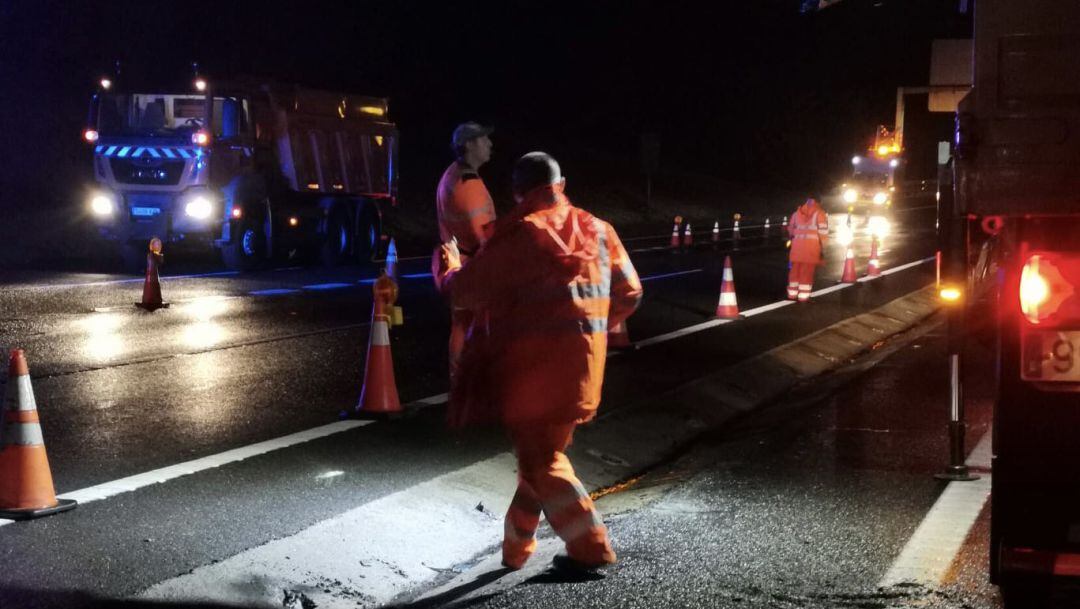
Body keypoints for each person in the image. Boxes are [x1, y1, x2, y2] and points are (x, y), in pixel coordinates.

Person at [434, 152, 643, 571]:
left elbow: (465, 292)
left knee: (542, 463)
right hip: (583, 371)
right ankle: (515, 550)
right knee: (539, 461)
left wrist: (448, 265)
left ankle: (591, 547)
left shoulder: (521, 235)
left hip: (531, 378)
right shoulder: (600, 230)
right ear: (560, 185)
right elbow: (631, 292)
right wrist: (591, 328)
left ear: (517, 193)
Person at [435, 122, 497, 378]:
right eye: (483, 139)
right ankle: (467, 381)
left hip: (457, 263)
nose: (489, 144)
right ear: (469, 145)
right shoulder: (469, 186)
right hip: (472, 266)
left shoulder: (452, 174)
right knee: (473, 327)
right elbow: (484, 235)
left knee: (461, 325)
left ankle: (460, 380)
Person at [786, 196, 829, 302]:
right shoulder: (819, 213)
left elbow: (790, 230)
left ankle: (792, 294)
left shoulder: (796, 214)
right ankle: (803, 295)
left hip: (796, 248)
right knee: (806, 272)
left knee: (794, 271)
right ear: (818, 202)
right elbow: (823, 232)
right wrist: (823, 247)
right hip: (811, 248)